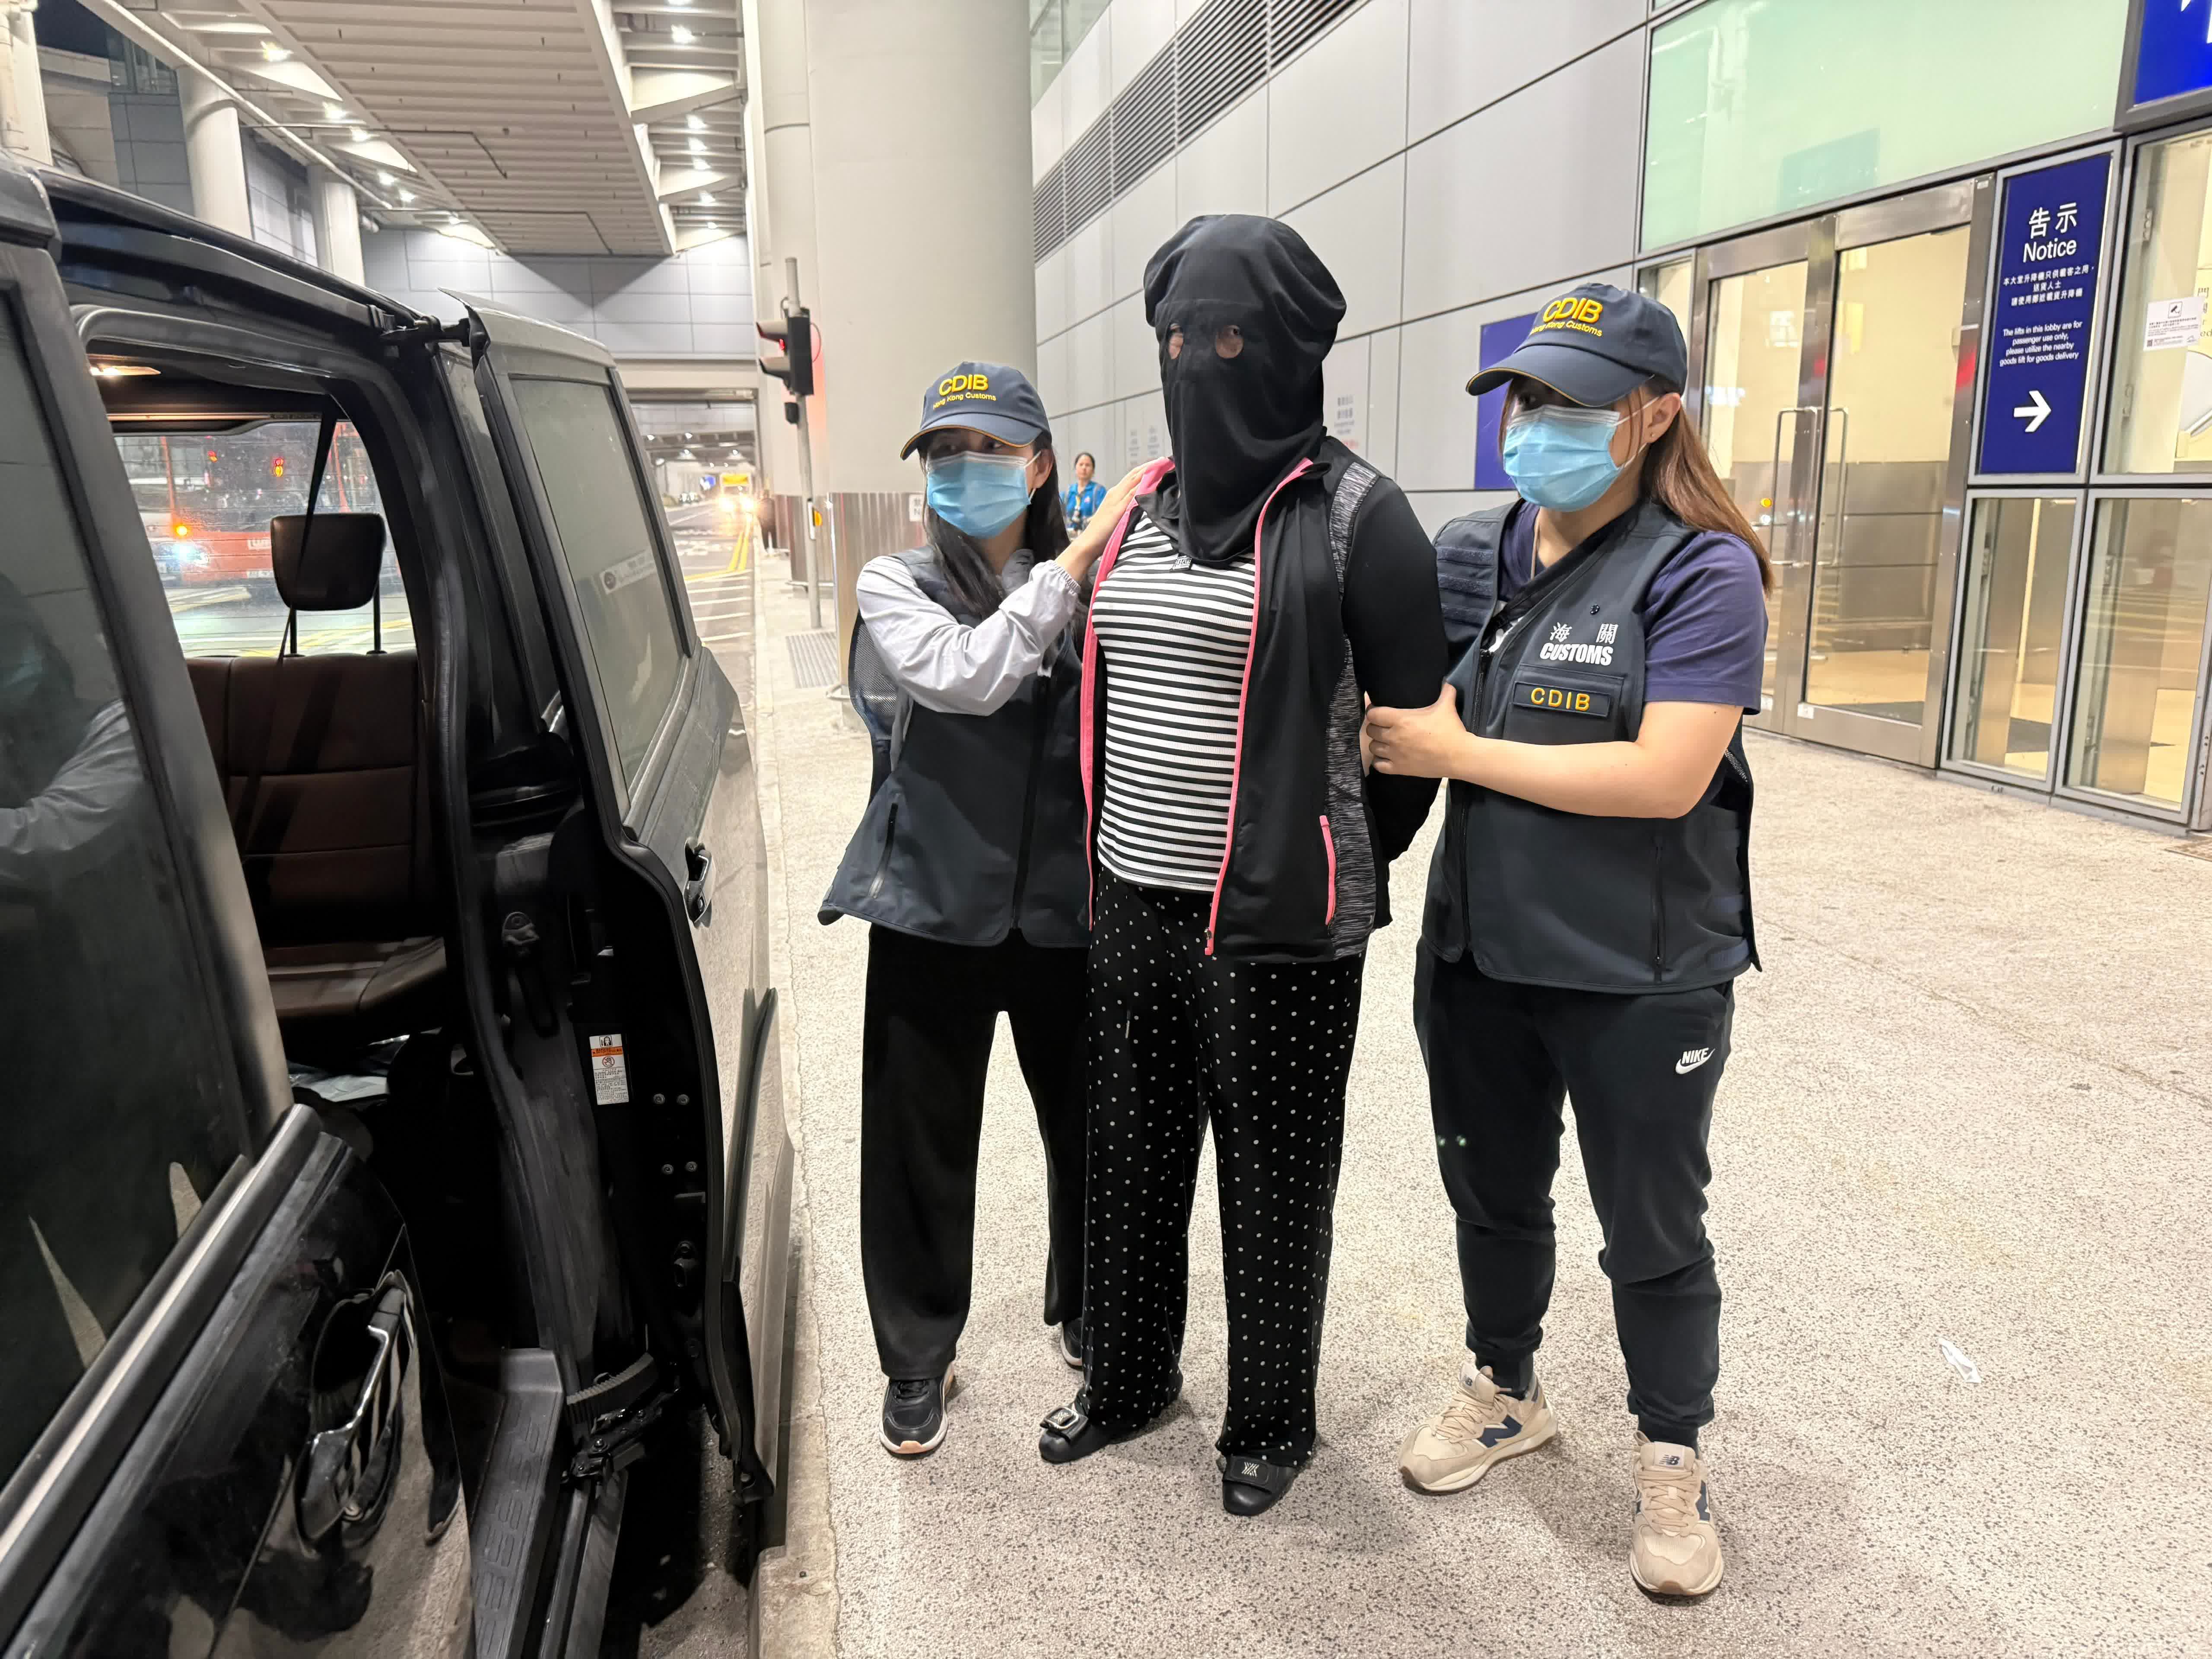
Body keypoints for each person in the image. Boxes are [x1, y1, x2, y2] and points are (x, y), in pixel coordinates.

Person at [1033, 216, 1447, 1517]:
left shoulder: (1360, 517)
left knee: (1273, 1180)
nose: (1194, 360)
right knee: (1128, 1159)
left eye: (1224, 338)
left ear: (1287, 348)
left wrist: (1328, 855)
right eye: (1173, 337)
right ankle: (1127, 1380)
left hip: (1277, 924)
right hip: (1130, 899)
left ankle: (1269, 1419)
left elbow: (1410, 741)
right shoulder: (1139, 503)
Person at [1363, 283, 1768, 1597]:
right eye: (1525, 399)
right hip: (1479, 955)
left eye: (1572, 403)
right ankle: (1505, 1387)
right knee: (1490, 1191)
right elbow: (1388, 717)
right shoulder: (1468, 552)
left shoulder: (1702, 571)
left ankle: (1670, 1453)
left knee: (1650, 1226)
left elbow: (1663, 774)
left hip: (1638, 974)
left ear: (1652, 416)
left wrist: (1456, 750)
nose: (1535, 424)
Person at [819, 362, 1144, 1458]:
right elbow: (963, 676)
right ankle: (916, 1355)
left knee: (1094, 1130)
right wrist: (1071, 566)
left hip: (1072, 910)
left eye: (989, 451)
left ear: (1039, 465)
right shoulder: (895, 582)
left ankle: (1092, 1307)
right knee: (917, 1144)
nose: (964, 471)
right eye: (944, 455)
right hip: (932, 905)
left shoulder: (1101, 589)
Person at [1063, 452, 1105, 532]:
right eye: (1081, 465)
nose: (1084, 468)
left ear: (1093, 470)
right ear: (1075, 468)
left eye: (1088, 465)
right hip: (1069, 535)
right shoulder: (1068, 493)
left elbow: (1104, 515)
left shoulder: (1099, 491)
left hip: (1091, 535)